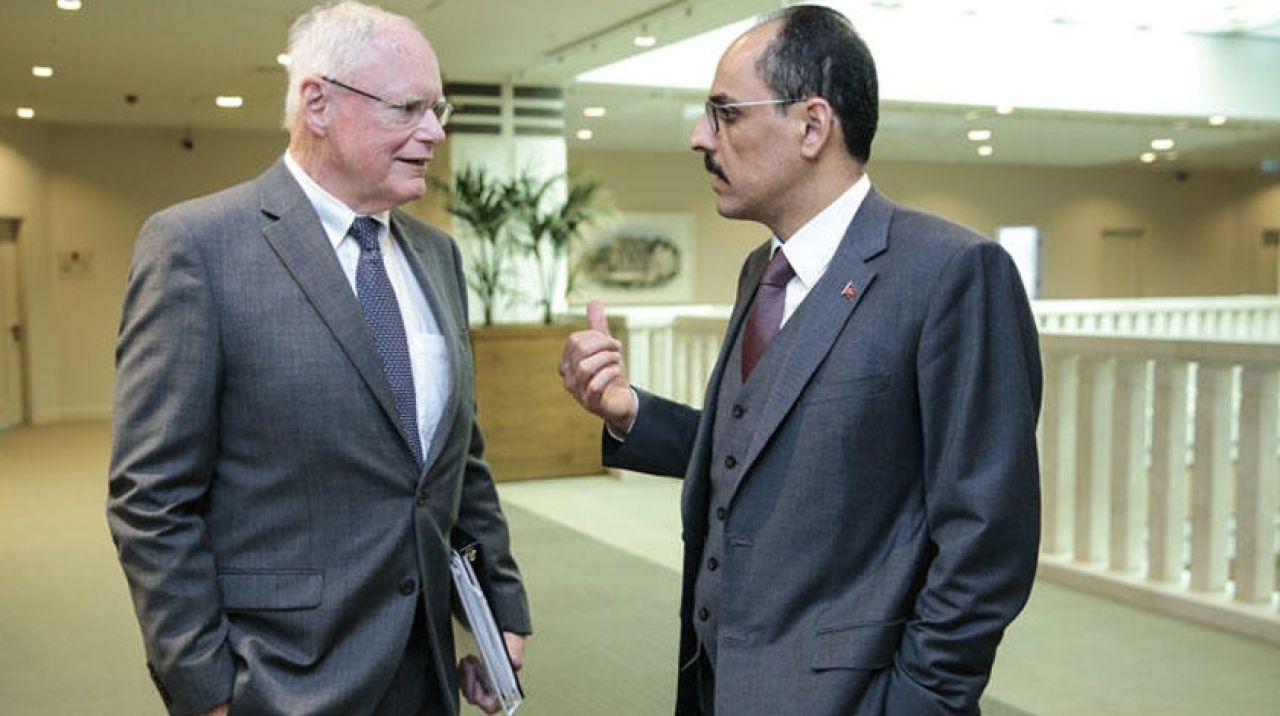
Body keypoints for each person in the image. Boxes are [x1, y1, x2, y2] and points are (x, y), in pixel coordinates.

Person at [560, 5, 1041, 715]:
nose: (700, 137)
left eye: (725, 113)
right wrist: (630, 411)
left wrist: (917, 702)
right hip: (722, 684)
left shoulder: (952, 273)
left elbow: (989, 535)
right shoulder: (762, 272)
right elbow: (767, 455)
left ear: (813, 126)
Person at [107, 3, 530, 714]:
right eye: (409, 108)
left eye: (438, 109)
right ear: (318, 103)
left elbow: (461, 459)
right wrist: (205, 688)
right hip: (279, 676)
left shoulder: (438, 255)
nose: (435, 131)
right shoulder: (198, 247)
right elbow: (152, 497)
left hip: (426, 668)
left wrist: (497, 610)